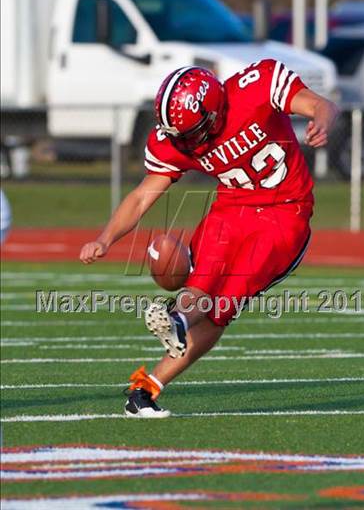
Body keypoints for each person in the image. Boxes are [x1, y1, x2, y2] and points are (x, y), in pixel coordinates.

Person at [80, 60, 339, 418]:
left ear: (214, 111)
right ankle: (150, 379)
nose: (184, 142)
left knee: (222, 306)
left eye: (190, 132)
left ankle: (171, 339)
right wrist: (105, 239)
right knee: (201, 282)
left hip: (285, 212)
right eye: (177, 134)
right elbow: (142, 195)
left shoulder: (255, 87)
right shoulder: (178, 136)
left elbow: (320, 104)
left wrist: (321, 122)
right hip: (231, 208)